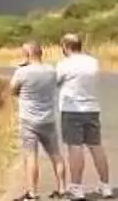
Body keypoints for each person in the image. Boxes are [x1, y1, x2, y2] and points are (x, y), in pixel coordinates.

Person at [56, 33, 113, 200]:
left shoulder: (64, 64)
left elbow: (57, 82)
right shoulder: (92, 62)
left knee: (75, 147)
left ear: (66, 47)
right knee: (96, 146)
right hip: (92, 108)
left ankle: (76, 187)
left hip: (72, 109)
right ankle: (105, 185)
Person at [10, 41, 66, 200]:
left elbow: (12, 90)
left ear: (27, 55)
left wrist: (22, 68)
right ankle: (62, 189)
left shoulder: (22, 72)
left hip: (29, 120)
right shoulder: (51, 70)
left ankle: (32, 193)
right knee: (56, 154)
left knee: (31, 156)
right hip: (48, 118)